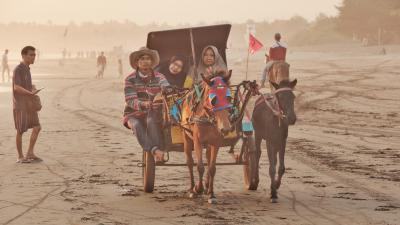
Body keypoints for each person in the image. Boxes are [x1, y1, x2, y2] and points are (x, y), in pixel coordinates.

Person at [123, 47, 170, 163]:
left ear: (152, 62)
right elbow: (130, 100)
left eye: (148, 59)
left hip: (154, 112)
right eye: (142, 59)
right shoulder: (130, 79)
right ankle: (155, 150)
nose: (145, 61)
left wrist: (165, 91)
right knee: (137, 125)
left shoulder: (159, 76)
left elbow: (166, 86)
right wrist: (144, 104)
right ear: (137, 62)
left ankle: (157, 149)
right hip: (132, 113)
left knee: (151, 121)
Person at [12, 46, 42, 163]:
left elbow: (24, 85)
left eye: (34, 55)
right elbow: (16, 87)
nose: (34, 57)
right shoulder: (18, 69)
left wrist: (32, 88)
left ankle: (30, 153)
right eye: (31, 55)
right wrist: (30, 92)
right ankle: (20, 157)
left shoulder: (27, 69)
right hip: (20, 105)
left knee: (37, 127)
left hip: (29, 104)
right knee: (20, 130)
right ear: (24, 55)